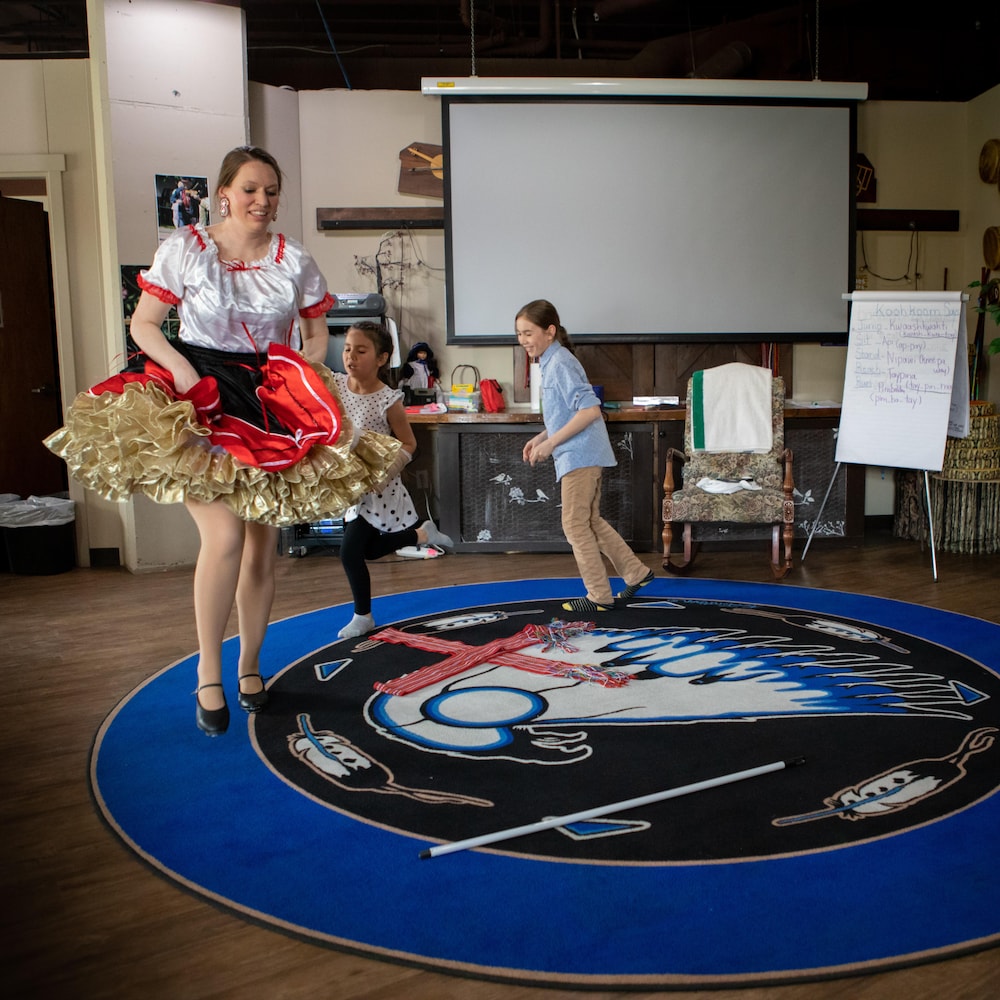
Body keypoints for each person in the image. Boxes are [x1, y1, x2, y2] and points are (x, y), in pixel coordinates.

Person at [45, 145, 401, 736]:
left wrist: (300, 372)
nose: (262, 201)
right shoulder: (185, 248)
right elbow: (144, 325)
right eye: (251, 189)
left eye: (271, 191)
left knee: (263, 548)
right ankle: (209, 671)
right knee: (225, 535)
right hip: (199, 394)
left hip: (271, 398)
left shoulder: (296, 260)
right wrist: (183, 373)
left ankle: (249, 665)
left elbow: (316, 337)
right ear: (225, 194)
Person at [516, 299, 654, 612]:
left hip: (579, 456)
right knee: (589, 520)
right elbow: (566, 415)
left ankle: (599, 596)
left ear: (550, 331)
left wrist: (550, 444)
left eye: (528, 333)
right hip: (580, 453)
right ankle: (636, 573)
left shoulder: (560, 362)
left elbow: (590, 410)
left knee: (574, 525)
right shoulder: (551, 362)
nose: (522, 340)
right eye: (519, 334)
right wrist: (541, 437)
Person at [334, 321, 453, 639]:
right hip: (349, 487)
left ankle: (363, 616)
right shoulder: (334, 385)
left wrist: (385, 472)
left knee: (350, 551)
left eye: (361, 351)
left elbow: (410, 444)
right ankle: (421, 535)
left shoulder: (388, 399)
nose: (351, 357)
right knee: (369, 551)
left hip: (379, 489)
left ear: (382, 358)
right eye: (347, 349)